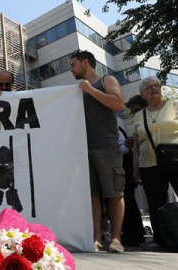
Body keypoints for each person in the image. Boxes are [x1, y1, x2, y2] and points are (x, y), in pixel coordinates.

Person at [70, 51, 125, 253]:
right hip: (83, 149)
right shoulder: (76, 90)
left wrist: (90, 90)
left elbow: (118, 103)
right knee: (92, 196)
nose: (71, 69)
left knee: (114, 193)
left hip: (107, 146)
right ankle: (97, 237)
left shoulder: (106, 80)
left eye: (74, 65)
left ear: (85, 63)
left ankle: (116, 238)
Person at [132, 76, 178, 250]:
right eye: (149, 86)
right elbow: (136, 144)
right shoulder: (138, 116)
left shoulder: (174, 105)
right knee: (155, 203)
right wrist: (135, 168)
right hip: (148, 163)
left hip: (174, 158)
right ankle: (161, 240)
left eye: (157, 85)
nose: (154, 88)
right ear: (142, 94)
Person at [119, 126, 145, 246]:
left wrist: (125, 147)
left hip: (125, 170)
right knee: (127, 203)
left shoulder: (119, 128)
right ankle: (131, 234)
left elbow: (124, 150)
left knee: (128, 203)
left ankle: (135, 235)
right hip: (122, 170)